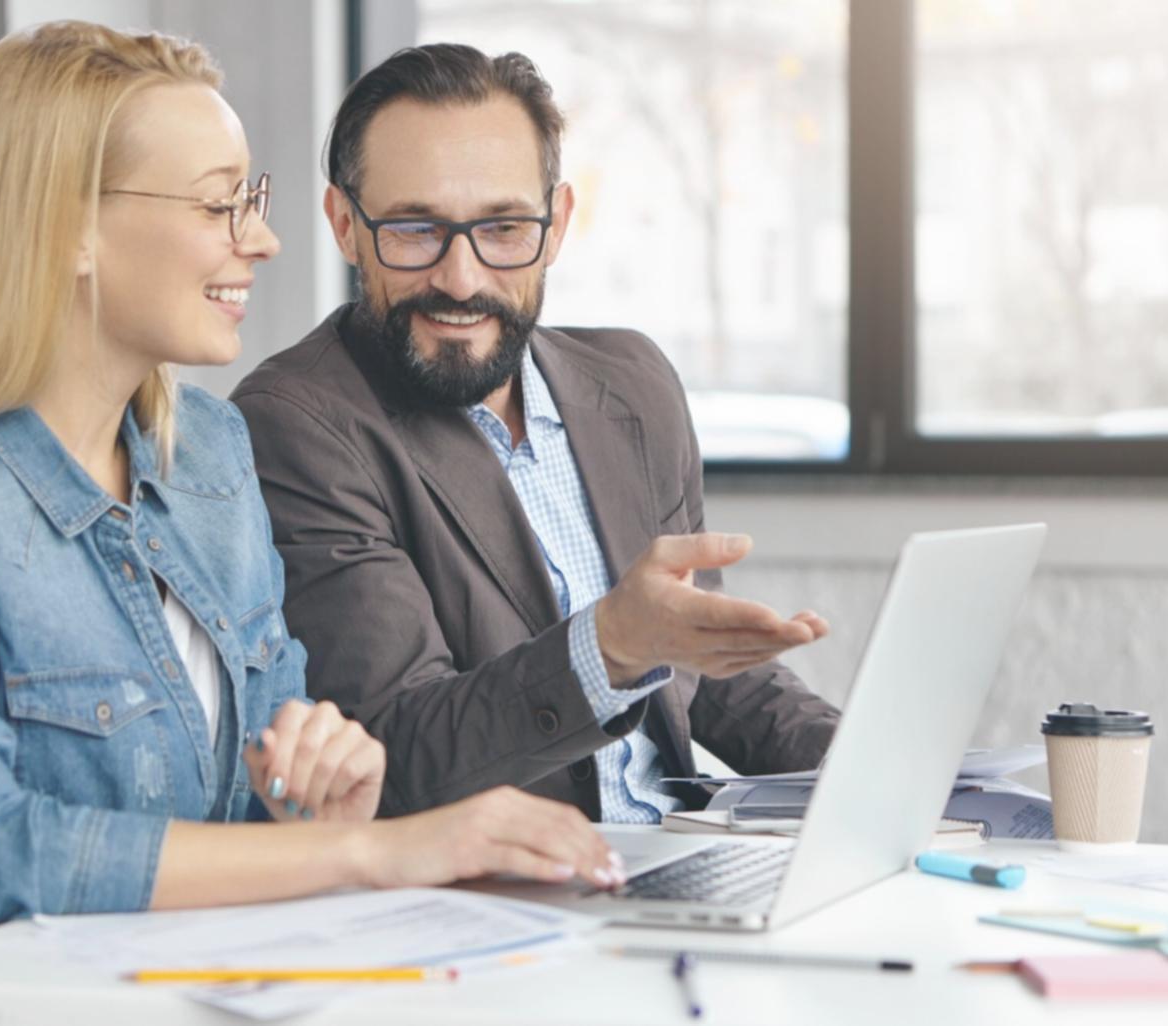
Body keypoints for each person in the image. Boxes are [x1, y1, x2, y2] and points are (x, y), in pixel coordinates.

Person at [0, 23, 618, 997]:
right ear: (65, 224)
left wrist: (323, 799)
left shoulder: (207, 453)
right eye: (219, 204)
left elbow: (250, 808)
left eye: (253, 199)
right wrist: (372, 853)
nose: (263, 238)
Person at [231, 44, 840, 824]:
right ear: (345, 226)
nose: (461, 277)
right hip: (508, 893)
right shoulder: (297, 423)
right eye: (416, 230)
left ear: (555, 227)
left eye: (504, 227)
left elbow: (703, 673)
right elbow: (395, 749)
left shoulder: (633, 381)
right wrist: (609, 647)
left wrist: (876, 775)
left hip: (679, 854)